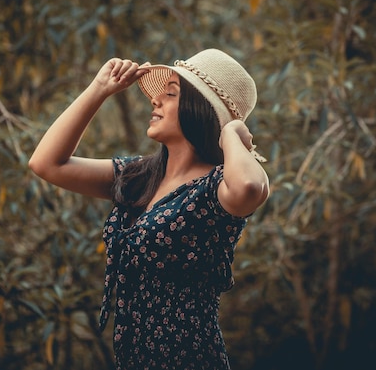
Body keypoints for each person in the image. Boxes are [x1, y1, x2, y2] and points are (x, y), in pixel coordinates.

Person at [29, 49, 270, 369]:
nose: (156, 100)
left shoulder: (216, 191)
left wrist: (230, 132)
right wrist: (99, 90)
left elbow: (251, 188)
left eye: (171, 94)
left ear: (200, 110)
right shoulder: (139, 177)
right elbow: (47, 163)